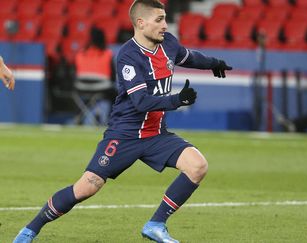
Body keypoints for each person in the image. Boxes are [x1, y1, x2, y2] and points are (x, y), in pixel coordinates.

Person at [13, 1, 232, 242]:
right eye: (159, 20)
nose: (165, 25)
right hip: (124, 134)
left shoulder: (168, 43)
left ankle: (156, 224)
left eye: (165, 18)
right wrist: (176, 100)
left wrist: (214, 63)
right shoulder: (128, 56)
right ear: (141, 23)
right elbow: (140, 102)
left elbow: (189, 57)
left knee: (197, 166)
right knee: (87, 186)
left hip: (156, 134)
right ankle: (30, 229)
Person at [74, 27, 116, 125]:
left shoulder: (80, 54)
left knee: (87, 100)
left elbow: (75, 73)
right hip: (102, 88)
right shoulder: (107, 54)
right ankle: (112, 121)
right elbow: (112, 77)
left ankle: (79, 116)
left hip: (81, 88)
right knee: (118, 96)